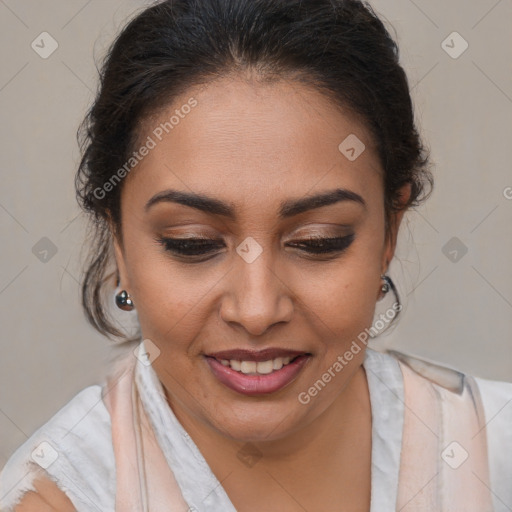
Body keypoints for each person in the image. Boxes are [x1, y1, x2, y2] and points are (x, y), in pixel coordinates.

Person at [1, 0, 511, 510]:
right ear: (120, 243)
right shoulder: (55, 498)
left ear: (389, 232)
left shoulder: (493, 452)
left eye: (318, 241)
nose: (257, 310)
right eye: (192, 243)